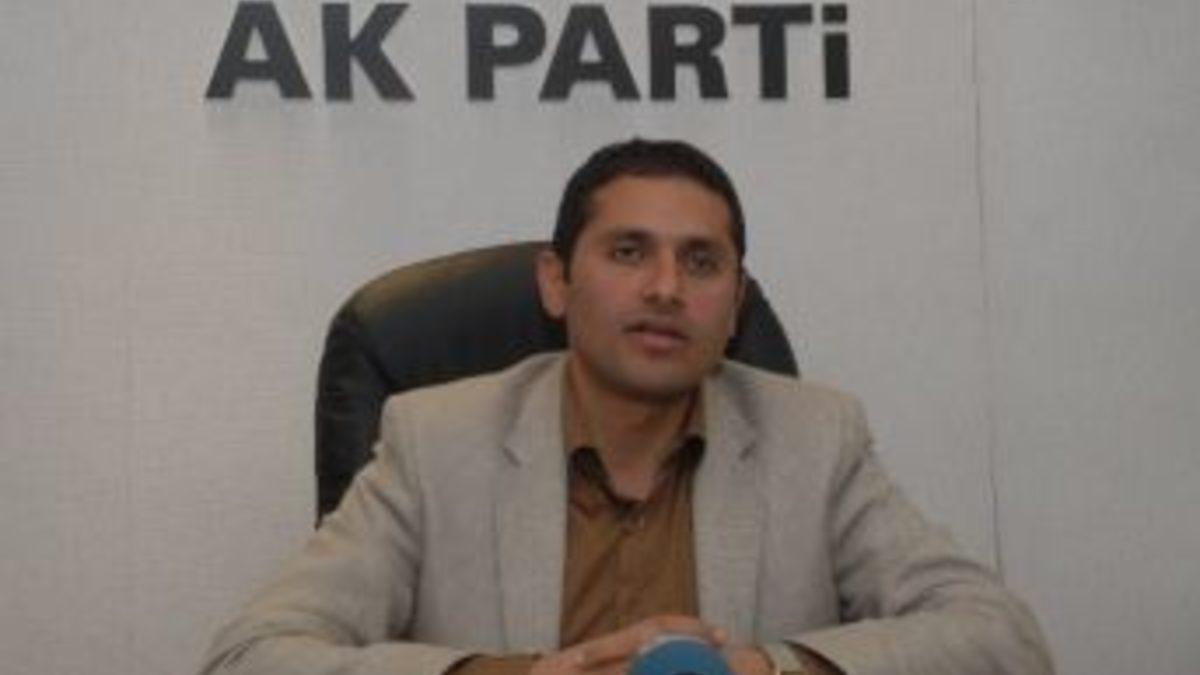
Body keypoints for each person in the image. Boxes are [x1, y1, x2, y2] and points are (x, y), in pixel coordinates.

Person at [199, 139, 1054, 675]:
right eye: (628, 252)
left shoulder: (815, 438)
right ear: (556, 281)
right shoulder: (434, 440)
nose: (665, 288)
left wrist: (765, 669)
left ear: (736, 304)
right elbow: (249, 656)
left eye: (701, 262)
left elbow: (1002, 640)